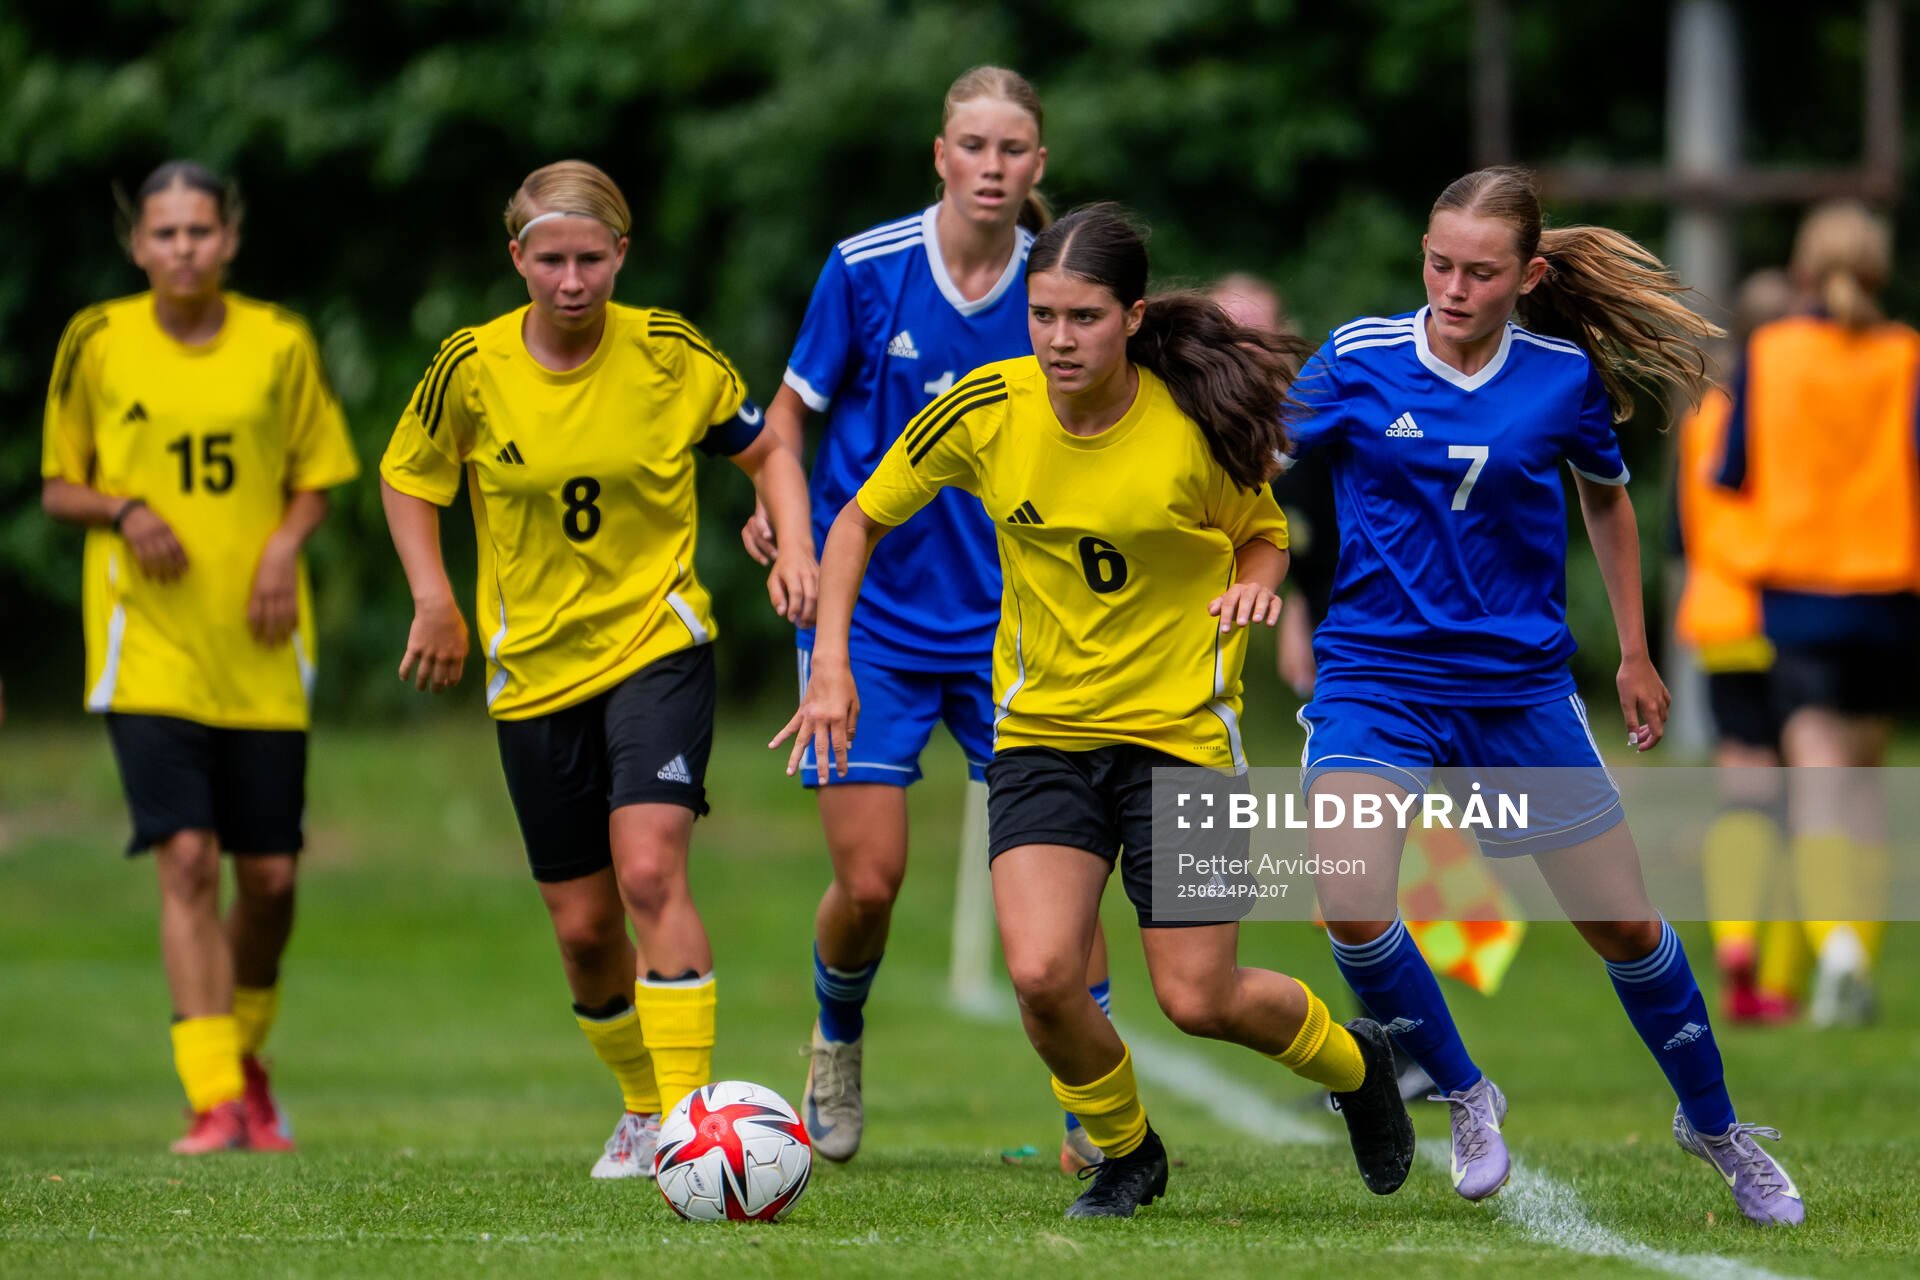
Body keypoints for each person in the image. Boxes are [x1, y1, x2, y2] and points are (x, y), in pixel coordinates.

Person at [776, 204, 1415, 1220]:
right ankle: (1128, 1150)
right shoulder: (988, 407)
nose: (1058, 339)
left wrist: (1256, 583)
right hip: (1044, 736)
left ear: (1132, 316)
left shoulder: (1189, 422)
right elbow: (854, 520)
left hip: (1183, 740)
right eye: (1042, 316)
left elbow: (1266, 533)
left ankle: (1358, 1063)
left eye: (1082, 317)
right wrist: (831, 667)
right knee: (1040, 973)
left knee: (1199, 997)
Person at [1291, 166, 1804, 1226]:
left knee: (1621, 922)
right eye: (1439, 263)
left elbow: (1608, 500)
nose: (1453, 287)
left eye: (1481, 271)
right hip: (1376, 677)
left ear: (1527, 276)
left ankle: (1714, 1123)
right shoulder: (1357, 359)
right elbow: (1258, 460)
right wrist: (1253, 566)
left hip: (1516, 688)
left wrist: (1636, 651)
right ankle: (1469, 1093)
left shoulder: (1561, 376)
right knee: (1349, 895)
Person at [379, 160, 816, 1180]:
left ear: (621, 255)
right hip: (532, 671)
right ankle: (637, 1104)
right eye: (551, 259)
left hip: (657, 644)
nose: (572, 280)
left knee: (652, 868)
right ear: (518, 259)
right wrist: (434, 598)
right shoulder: (471, 367)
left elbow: (768, 451)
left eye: (591, 258)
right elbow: (409, 478)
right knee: (583, 933)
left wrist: (791, 541)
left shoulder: (669, 352)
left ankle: (691, 1127)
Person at [740, 65, 1115, 1173]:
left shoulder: (1059, 286)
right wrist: (795, 536)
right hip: (876, 619)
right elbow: (782, 426)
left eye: (1013, 150)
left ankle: (1090, 1105)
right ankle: (837, 1036)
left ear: (1039, 164)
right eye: (973, 146)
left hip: (1022, 623)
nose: (992, 167)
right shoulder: (867, 270)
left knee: (1067, 867)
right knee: (870, 878)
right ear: (939, 155)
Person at [41, 160, 360, 1154]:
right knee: (187, 855)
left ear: (229, 239)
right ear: (138, 245)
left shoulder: (279, 341)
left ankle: (247, 1060)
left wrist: (280, 544)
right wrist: (124, 508)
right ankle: (213, 1095)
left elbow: (318, 477)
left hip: (263, 645)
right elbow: (59, 483)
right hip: (151, 646)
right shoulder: (98, 340)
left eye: (200, 231)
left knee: (268, 878)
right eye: (165, 232)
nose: (184, 248)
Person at [1714, 200, 1920, 1028]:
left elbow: (1734, 467)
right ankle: (1853, 959)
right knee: (1862, 785)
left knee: (1819, 785)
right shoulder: (1905, 353)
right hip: (1892, 586)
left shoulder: (1770, 353)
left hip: (1798, 585)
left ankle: (1831, 946)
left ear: (1805, 268)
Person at [1673, 268, 1808, 1024]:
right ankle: (1784, 983)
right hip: (1791, 610)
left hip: (1719, 616)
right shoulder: (1791, 410)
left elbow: (1678, 532)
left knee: (1743, 796)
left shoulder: (1705, 414)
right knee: (1800, 804)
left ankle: (1734, 955)